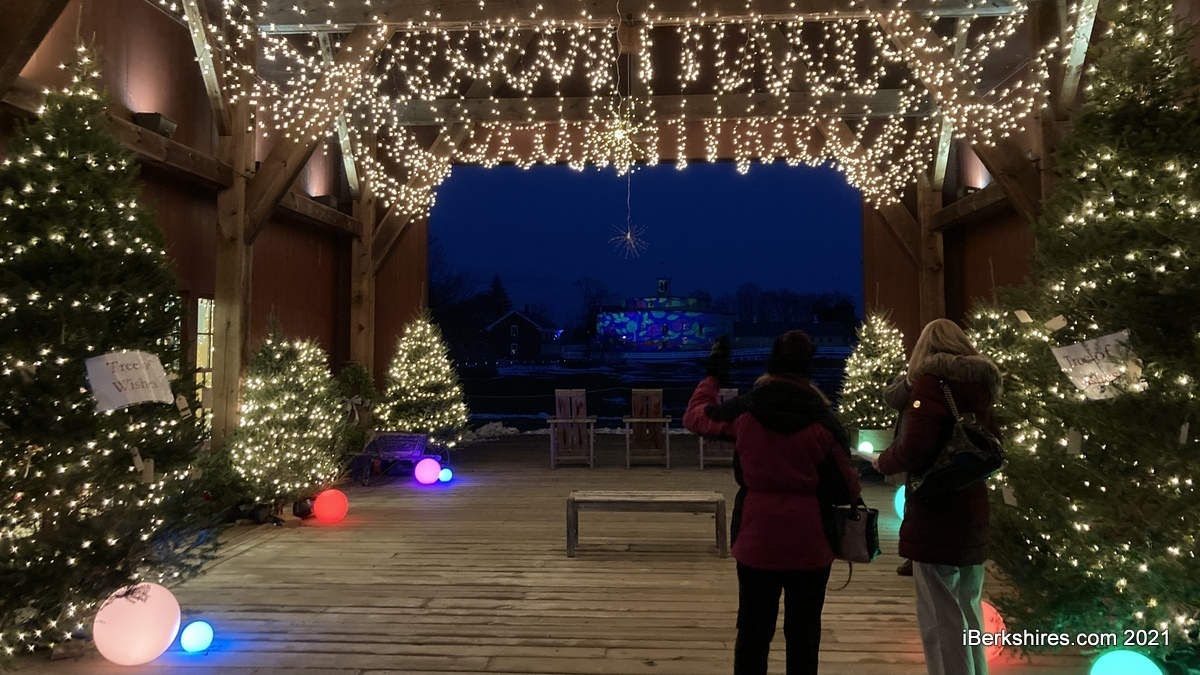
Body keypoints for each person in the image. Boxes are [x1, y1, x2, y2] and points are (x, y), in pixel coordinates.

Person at [684, 331, 861, 675]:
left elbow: (695, 417)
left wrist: (713, 376)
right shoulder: (823, 420)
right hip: (810, 540)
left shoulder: (746, 410)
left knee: (753, 631)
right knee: (804, 634)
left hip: (757, 536)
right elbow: (848, 488)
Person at [872, 319, 1001, 675]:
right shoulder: (983, 384)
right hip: (973, 503)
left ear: (925, 348)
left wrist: (883, 461)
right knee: (969, 606)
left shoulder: (931, 383)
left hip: (936, 507)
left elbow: (916, 447)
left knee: (939, 615)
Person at [883, 371, 914, 577]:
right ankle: (913, 555)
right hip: (912, 449)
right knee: (912, 503)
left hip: (919, 450)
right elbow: (892, 397)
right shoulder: (911, 378)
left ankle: (916, 556)